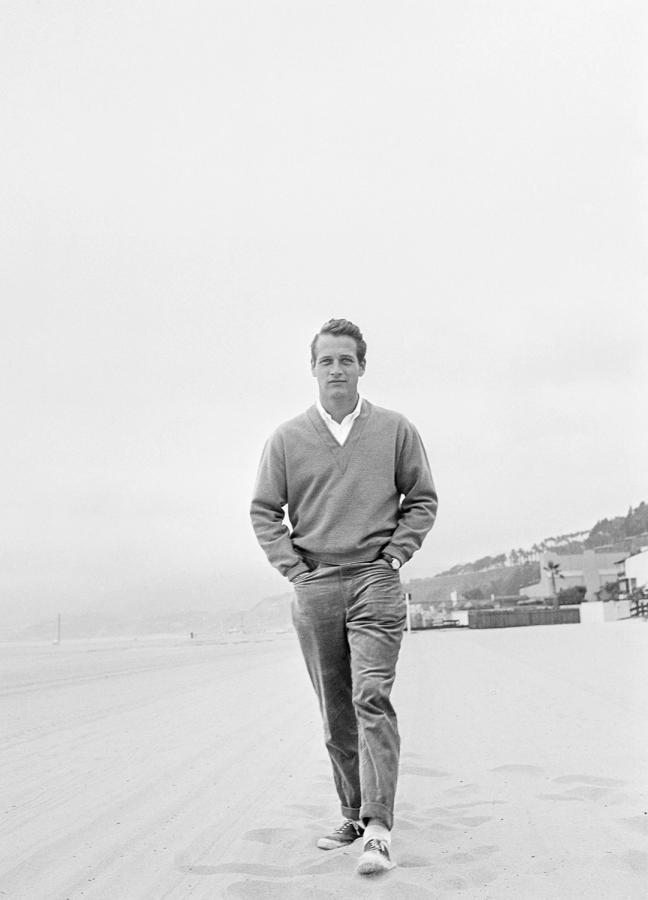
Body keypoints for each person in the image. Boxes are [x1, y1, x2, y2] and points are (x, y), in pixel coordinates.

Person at [250, 318, 438, 875]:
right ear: (313, 368)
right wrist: (294, 570)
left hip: (376, 582)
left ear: (362, 366)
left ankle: (379, 828)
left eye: (346, 360)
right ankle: (353, 813)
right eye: (326, 360)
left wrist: (396, 556)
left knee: (371, 698)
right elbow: (264, 510)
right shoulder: (286, 439)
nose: (337, 369)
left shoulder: (395, 429)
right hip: (315, 587)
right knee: (335, 714)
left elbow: (421, 498)